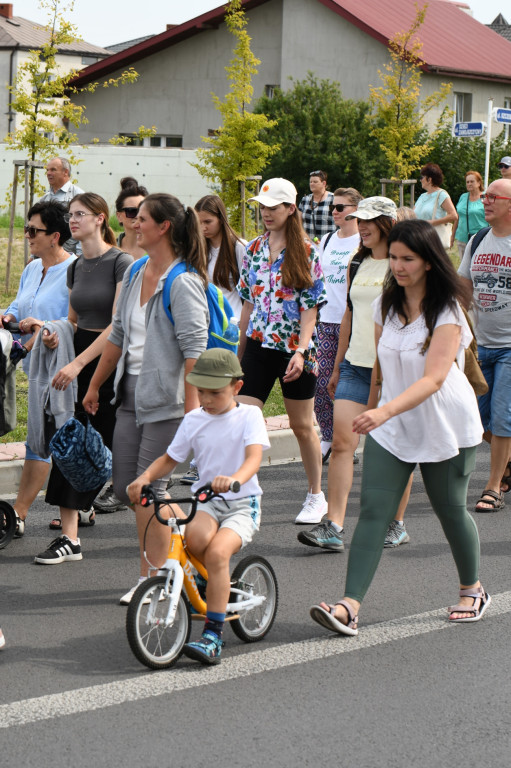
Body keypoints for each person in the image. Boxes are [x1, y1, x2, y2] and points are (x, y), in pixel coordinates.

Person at [310, 219, 488, 636]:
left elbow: (434, 378)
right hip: (393, 424)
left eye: (408, 258)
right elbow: (380, 369)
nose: (399, 265)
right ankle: (349, 606)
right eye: (394, 257)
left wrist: (382, 412)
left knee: (450, 511)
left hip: (444, 423)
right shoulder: (386, 305)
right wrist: (375, 409)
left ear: (429, 262)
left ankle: (473, 589)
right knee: (373, 511)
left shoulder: (448, 311)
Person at [83, 193, 209, 603]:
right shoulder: (137, 270)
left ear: (163, 227)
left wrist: (192, 410)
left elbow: (195, 349)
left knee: (148, 489)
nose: (133, 224)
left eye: (141, 219)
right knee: (124, 488)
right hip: (130, 392)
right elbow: (118, 334)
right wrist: (95, 385)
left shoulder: (184, 281)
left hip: (169, 399)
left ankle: (152, 577)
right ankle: (190, 532)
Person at [127, 348, 270, 665]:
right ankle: (212, 584)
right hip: (207, 501)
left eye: (215, 393)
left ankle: (213, 636)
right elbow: (170, 458)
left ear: (237, 387)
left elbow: (254, 459)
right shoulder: (194, 420)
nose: (206, 399)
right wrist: (144, 478)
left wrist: (233, 479)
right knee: (194, 540)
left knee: (218, 553)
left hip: (241, 503)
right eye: (201, 391)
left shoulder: (249, 416)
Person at [297, 196, 412, 550]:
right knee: (344, 445)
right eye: (357, 220)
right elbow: (348, 315)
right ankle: (333, 525)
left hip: (392, 369)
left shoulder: (402, 265)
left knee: (394, 448)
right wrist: (335, 365)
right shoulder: (357, 262)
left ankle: (396, 522)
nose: (361, 226)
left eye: (369, 221)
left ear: (387, 223)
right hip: (354, 366)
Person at [33, 193, 133, 564]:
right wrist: (56, 334)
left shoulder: (121, 263)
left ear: (100, 219)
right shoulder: (76, 267)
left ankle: (97, 504)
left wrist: (80, 366)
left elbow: (117, 326)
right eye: (70, 215)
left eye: (80, 214)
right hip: (77, 353)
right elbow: (75, 321)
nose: (72, 220)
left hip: (108, 359)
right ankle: (70, 536)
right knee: (70, 439)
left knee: (103, 445)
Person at [237, 178, 328, 524]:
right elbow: (248, 303)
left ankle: (316, 496)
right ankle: (247, 491)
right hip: (259, 346)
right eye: (263, 207)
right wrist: (240, 348)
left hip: (295, 350)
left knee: (301, 425)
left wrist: (302, 351)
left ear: (291, 209)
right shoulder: (255, 248)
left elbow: (310, 310)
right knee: (242, 418)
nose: (266, 213)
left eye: (273, 207)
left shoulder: (308, 250)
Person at [0, 201, 76, 537]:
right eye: (27, 228)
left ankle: (19, 513)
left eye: (34, 230)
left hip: (60, 369)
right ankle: (79, 507)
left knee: (41, 439)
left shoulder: (73, 272)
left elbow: (75, 322)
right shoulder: (33, 268)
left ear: (55, 236)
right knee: (56, 439)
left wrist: (44, 325)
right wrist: (10, 316)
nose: (28, 235)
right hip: (32, 364)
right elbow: (20, 304)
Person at [178, 194, 247, 487]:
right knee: (205, 394)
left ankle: (214, 459)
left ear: (221, 218)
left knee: (221, 394)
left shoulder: (240, 249)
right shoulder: (198, 249)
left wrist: (239, 328)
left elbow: (247, 293)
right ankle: (202, 459)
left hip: (228, 332)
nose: (204, 227)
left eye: (209, 221)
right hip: (204, 328)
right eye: (200, 222)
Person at [458, 178, 511, 511]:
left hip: (510, 347)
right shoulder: (477, 240)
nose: (485, 201)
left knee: (503, 418)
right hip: (480, 347)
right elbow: (463, 290)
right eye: (485, 196)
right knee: (478, 421)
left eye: (493, 197)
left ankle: (493, 486)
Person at [313, 187, 363, 464]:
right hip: (326, 320)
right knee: (321, 382)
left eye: (341, 207)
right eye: (334, 206)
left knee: (347, 385)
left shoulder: (361, 242)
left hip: (353, 323)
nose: (335, 211)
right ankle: (328, 436)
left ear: (356, 210)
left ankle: (348, 441)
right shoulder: (329, 239)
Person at [39, 157, 84, 255]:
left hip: (70, 256)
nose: (48, 173)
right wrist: (34, 255)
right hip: (47, 255)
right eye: (47, 170)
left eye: (53, 170)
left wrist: (79, 255)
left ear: (65, 172)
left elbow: (84, 227)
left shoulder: (78, 196)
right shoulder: (44, 199)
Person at [414, 163, 457, 249]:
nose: (420, 180)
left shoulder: (441, 195)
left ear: (429, 179)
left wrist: (432, 222)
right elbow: (412, 214)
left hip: (433, 239)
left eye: (422, 177)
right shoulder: (422, 196)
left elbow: (453, 215)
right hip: (419, 239)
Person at [451, 171, 486, 261]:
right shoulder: (463, 197)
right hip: (462, 238)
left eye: (472, 181)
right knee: (464, 268)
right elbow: (457, 217)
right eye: (467, 182)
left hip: (480, 238)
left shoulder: (485, 197)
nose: (469, 184)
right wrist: (452, 235)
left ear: (479, 183)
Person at [115, 176, 148, 259]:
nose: (138, 216)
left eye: (142, 211)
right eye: (131, 211)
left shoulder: (158, 249)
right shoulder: (108, 250)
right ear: (119, 216)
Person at [298, 170, 335, 244]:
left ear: (324, 183)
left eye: (315, 182)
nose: (312, 184)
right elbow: (298, 222)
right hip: (308, 245)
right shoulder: (305, 200)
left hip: (329, 244)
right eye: (310, 182)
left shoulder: (333, 199)